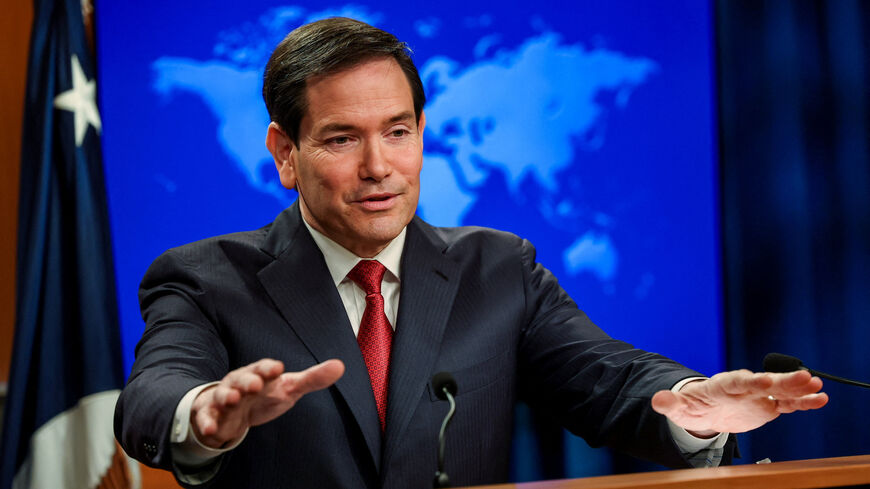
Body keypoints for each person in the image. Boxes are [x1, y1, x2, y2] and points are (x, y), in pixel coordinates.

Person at [114, 17, 828, 489]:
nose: (378, 166)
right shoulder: (207, 278)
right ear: (285, 152)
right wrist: (204, 411)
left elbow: (608, 380)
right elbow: (153, 392)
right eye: (341, 138)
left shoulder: (498, 267)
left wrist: (697, 406)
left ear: (422, 130)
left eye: (397, 131)